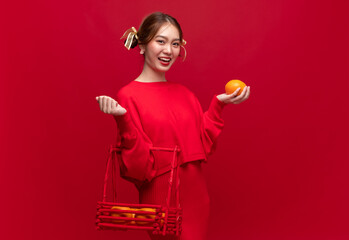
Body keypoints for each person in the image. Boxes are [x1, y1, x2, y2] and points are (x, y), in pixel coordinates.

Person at [96, 12, 250, 240]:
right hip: (160, 200)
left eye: (175, 43)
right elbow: (137, 164)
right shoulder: (128, 95)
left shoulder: (185, 94)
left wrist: (219, 104)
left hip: (197, 199)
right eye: (161, 41)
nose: (169, 50)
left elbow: (202, 142)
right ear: (142, 45)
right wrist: (122, 118)